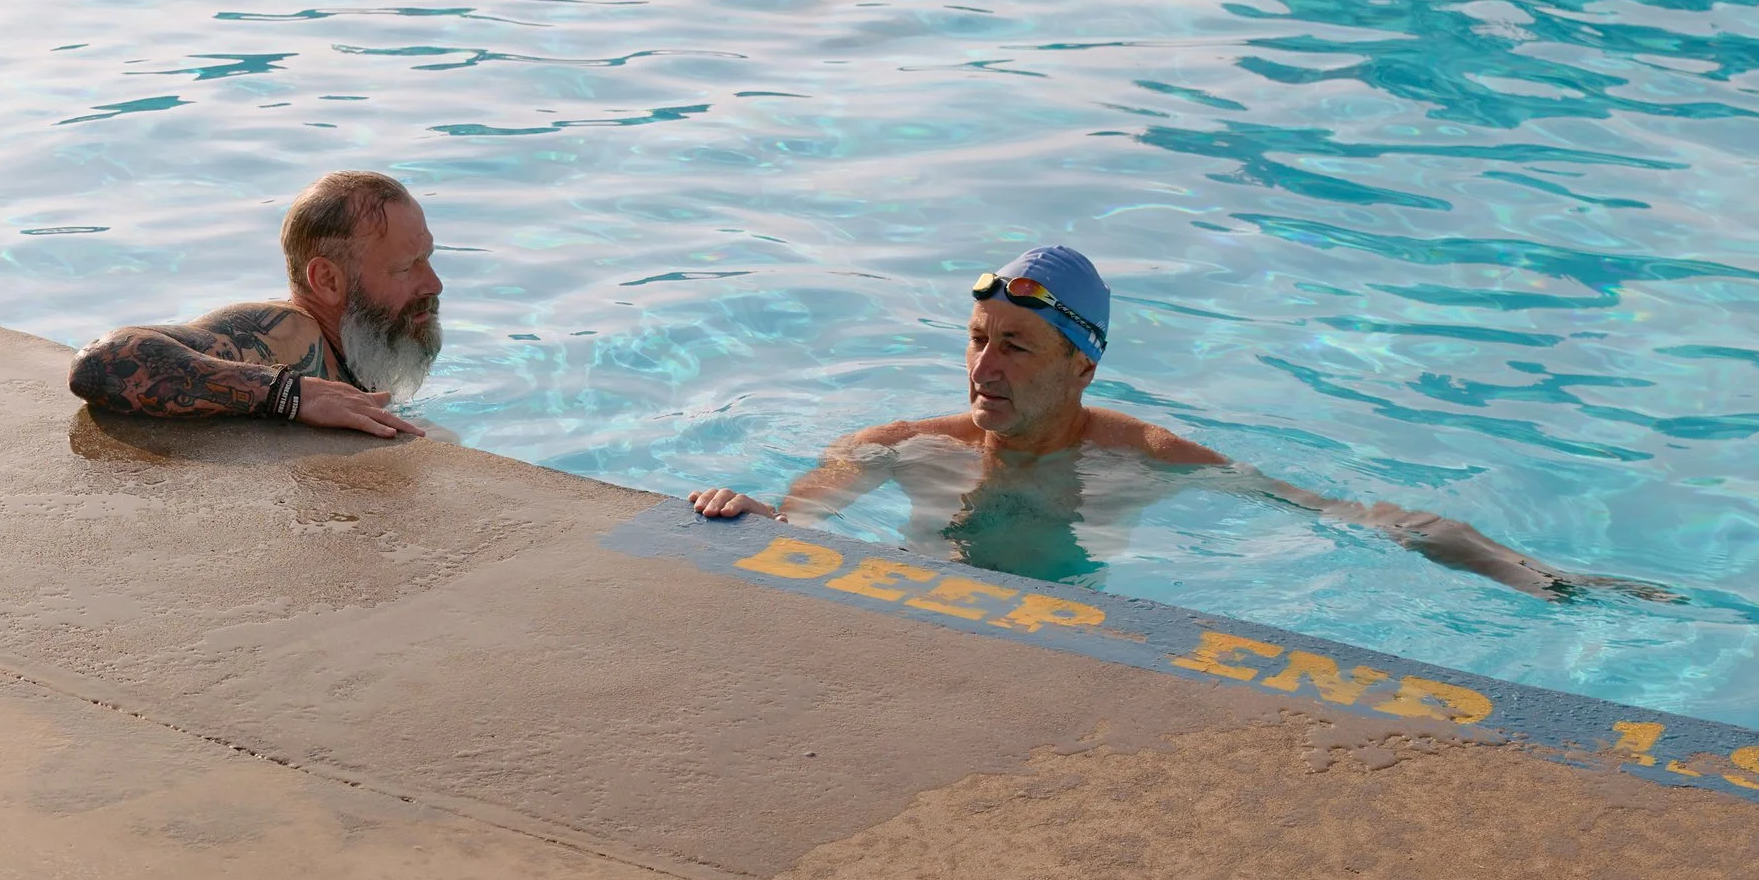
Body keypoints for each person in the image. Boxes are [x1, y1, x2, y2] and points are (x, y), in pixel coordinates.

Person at [687, 244, 1671, 601]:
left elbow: (1359, 519)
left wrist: (1527, 572)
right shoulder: (902, 445)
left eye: (1015, 347)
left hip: (1064, 637)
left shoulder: (1148, 457)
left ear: (1082, 364)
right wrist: (744, 510)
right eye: (976, 338)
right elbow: (794, 521)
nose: (983, 367)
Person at [69, 171, 438, 438]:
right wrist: (292, 395)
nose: (433, 284)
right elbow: (102, 362)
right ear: (327, 280)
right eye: (406, 268)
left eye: (428, 258)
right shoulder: (287, 334)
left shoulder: (355, 346)